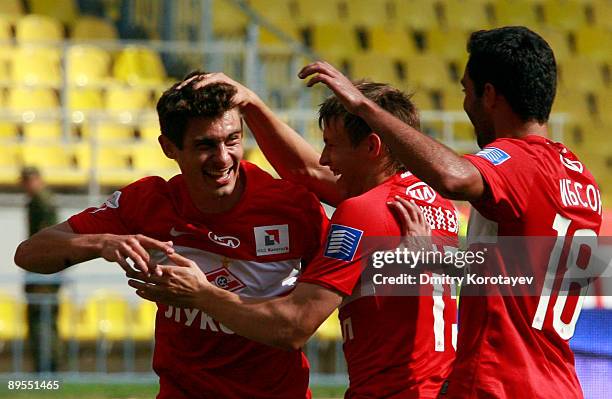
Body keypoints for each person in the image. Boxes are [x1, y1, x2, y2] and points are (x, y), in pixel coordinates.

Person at [297, 26, 603, 398]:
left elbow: (453, 177)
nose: (465, 104)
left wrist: (365, 109)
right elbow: (526, 273)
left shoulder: (518, 162)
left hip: (500, 383)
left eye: (465, 90)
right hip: (560, 384)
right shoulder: (581, 179)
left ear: (488, 95)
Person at [131, 77, 460, 398]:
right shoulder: (437, 203)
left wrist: (201, 295)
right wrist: (252, 104)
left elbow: (293, 326)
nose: (324, 158)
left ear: (371, 147)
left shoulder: (364, 213)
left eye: (332, 145)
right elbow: (307, 172)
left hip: (394, 389)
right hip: (443, 383)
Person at [14, 73, 329, 399]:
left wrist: (201, 294)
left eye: (232, 140)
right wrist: (104, 241)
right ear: (169, 148)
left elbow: (298, 324)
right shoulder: (149, 202)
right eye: (205, 145)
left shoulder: (293, 207)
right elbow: (29, 253)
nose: (223, 158)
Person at [20, 166, 63, 373]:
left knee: (41, 321)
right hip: (46, 270)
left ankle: (46, 369)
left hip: (43, 272)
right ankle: (49, 367)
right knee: (45, 320)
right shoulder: (42, 200)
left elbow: (45, 238)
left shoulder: (42, 202)